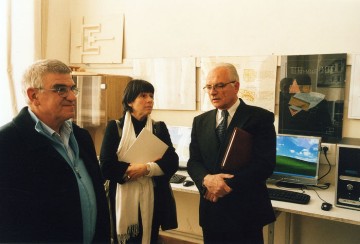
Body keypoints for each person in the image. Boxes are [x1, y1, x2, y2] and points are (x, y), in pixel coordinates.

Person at [0, 59, 110, 243]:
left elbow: (97, 197)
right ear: (34, 95)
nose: (73, 97)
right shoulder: (7, 143)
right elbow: (9, 225)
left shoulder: (81, 137)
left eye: (72, 88)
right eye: (60, 89)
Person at [187, 63, 276, 244]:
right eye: (209, 87)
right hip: (211, 209)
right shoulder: (200, 122)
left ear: (236, 86)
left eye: (219, 85)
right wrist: (206, 180)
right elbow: (194, 162)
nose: (213, 92)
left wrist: (222, 185)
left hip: (245, 211)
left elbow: (264, 165)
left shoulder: (260, 118)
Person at [100, 79, 179, 244]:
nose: (150, 100)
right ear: (130, 101)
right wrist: (130, 171)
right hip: (122, 195)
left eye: (151, 95)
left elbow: (172, 161)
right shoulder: (115, 127)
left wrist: (147, 168)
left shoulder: (159, 128)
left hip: (153, 195)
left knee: (150, 237)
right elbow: (106, 166)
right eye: (143, 96)